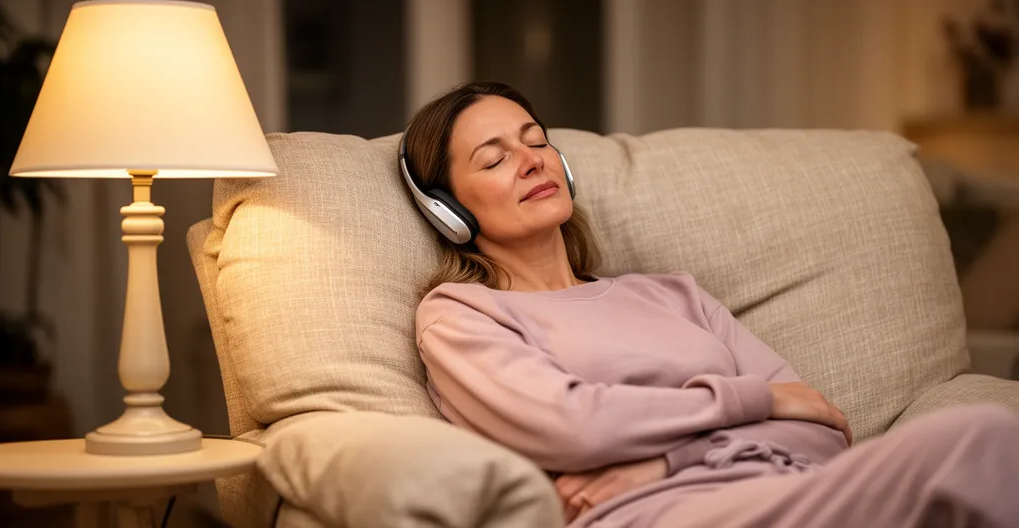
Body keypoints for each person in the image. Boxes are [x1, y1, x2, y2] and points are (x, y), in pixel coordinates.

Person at [400, 80, 1019, 528]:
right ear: (447, 211)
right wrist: (760, 400)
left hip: (794, 491)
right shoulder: (462, 315)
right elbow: (573, 424)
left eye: (535, 140)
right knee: (983, 439)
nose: (531, 158)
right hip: (659, 516)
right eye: (495, 157)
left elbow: (823, 429)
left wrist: (672, 456)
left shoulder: (672, 294)